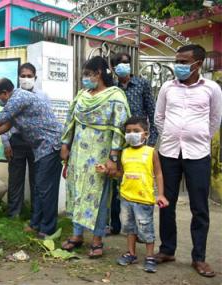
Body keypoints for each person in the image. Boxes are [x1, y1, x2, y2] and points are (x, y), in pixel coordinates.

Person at [0, 78, 63, 238]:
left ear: (5, 93)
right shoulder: (15, 101)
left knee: (45, 188)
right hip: (41, 148)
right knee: (39, 188)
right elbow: (4, 127)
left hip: (51, 144)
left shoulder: (18, 98)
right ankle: (35, 224)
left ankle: (47, 229)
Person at [154, 44, 222, 278]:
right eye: (177, 61)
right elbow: (159, 117)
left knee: (199, 207)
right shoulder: (167, 87)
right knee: (166, 203)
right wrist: (173, 134)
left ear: (198, 64)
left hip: (198, 154)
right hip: (170, 153)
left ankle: (199, 258)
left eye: (183, 62)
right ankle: (167, 250)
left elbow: (215, 120)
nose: (178, 66)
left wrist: (199, 136)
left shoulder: (211, 89)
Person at [60, 56, 130, 258]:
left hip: (100, 153)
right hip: (78, 154)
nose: (84, 79)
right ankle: (77, 235)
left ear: (98, 74)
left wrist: (113, 158)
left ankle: (97, 239)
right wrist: (65, 144)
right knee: (76, 192)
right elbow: (70, 120)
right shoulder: (82, 95)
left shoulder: (115, 96)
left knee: (97, 195)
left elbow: (119, 128)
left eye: (87, 74)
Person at [95, 116, 169, 273]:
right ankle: (131, 253)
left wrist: (161, 195)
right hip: (126, 198)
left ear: (146, 134)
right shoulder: (124, 153)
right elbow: (121, 174)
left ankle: (149, 257)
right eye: (128, 131)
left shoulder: (151, 152)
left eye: (136, 131)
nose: (131, 134)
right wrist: (107, 171)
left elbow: (159, 174)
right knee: (129, 228)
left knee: (146, 229)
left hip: (144, 199)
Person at [109, 52, 158, 235]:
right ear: (113, 68)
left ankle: (140, 227)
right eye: (120, 63)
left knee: (139, 183)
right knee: (117, 182)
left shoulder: (142, 84)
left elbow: (152, 115)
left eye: (126, 62)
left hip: (139, 144)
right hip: (118, 143)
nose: (124, 66)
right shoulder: (112, 88)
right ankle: (115, 224)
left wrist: (150, 143)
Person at [2, 62, 49, 218]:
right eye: (23, 76)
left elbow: (47, 120)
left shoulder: (42, 96)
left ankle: (36, 215)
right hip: (16, 141)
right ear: (18, 77)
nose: (26, 78)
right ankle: (14, 214)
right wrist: (6, 143)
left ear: (35, 77)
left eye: (29, 76)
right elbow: (4, 120)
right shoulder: (12, 95)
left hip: (36, 143)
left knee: (37, 180)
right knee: (15, 179)